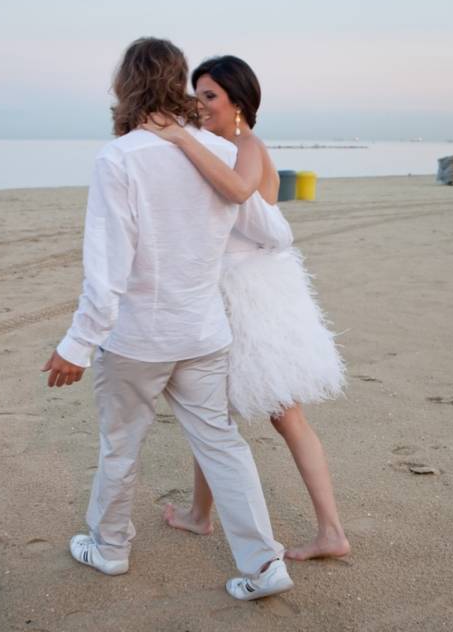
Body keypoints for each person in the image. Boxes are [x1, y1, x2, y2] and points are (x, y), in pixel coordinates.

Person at [41, 38, 293, 600]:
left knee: (120, 444)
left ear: (125, 85)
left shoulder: (119, 158)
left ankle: (109, 548)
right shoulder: (221, 152)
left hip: (137, 337)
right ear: (179, 81)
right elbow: (271, 230)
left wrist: (77, 346)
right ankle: (264, 563)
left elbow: (108, 271)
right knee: (222, 445)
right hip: (203, 331)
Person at [141, 55, 349, 561]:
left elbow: (237, 192)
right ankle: (199, 514)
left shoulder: (247, 146)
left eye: (210, 95)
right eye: (198, 95)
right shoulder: (221, 147)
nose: (200, 104)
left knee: (280, 415)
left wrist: (181, 139)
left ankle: (331, 532)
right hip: (228, 288)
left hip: (250, 296)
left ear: (238, 100)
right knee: (210, 411)